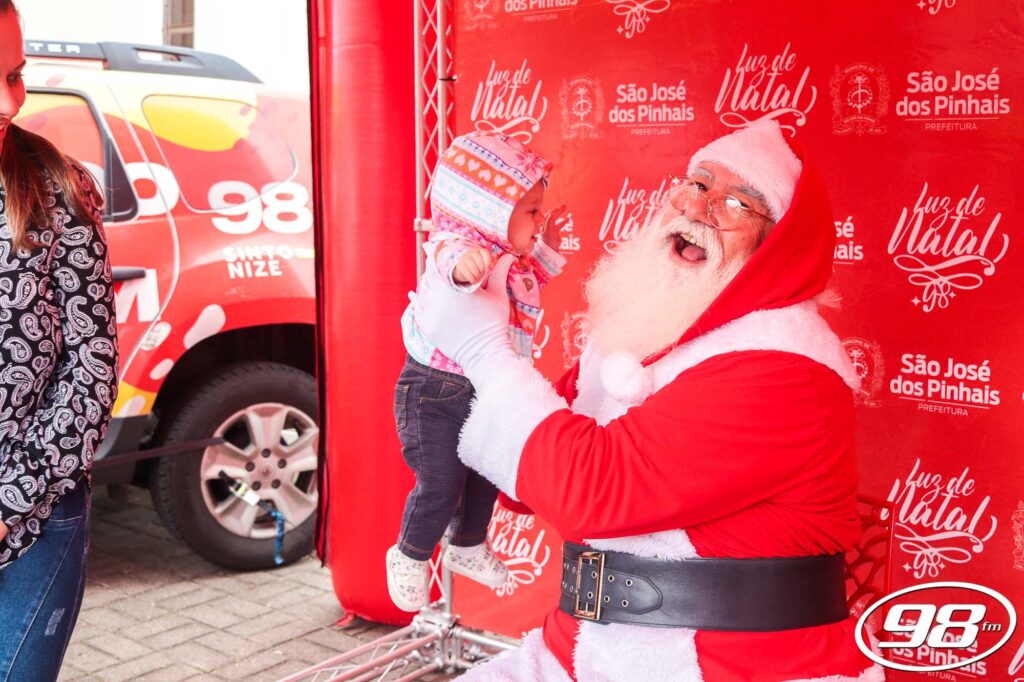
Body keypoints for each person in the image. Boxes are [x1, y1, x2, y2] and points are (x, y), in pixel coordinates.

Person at [413, 120, 883, 680]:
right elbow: (524, 486)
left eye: (737, 203)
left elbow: (590, 493)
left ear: (775, 247)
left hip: (728, 666)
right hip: (581, 650)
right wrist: (444, 368)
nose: (699, 208)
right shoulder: (647, 334)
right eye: (697, 184)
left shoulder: (786, 366)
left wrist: (483, 352)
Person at [386, 132, 567, 612]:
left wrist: (546, 247)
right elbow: (448, 259)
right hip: (433, 390)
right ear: (487, 209)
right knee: (441, 481)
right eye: (531, 211)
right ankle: (409, 554)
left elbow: (532, 280)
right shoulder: (460, 244)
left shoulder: (509, 259)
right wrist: (465, 267)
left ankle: (467, 545)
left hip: (482, 390)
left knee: (487, 471)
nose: (539, 219)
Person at [0, 2, 119, 679]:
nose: (9, 102)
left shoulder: (58, 188)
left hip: (36, 520)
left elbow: (93, 367)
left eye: (15, 74)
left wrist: (8, 502)